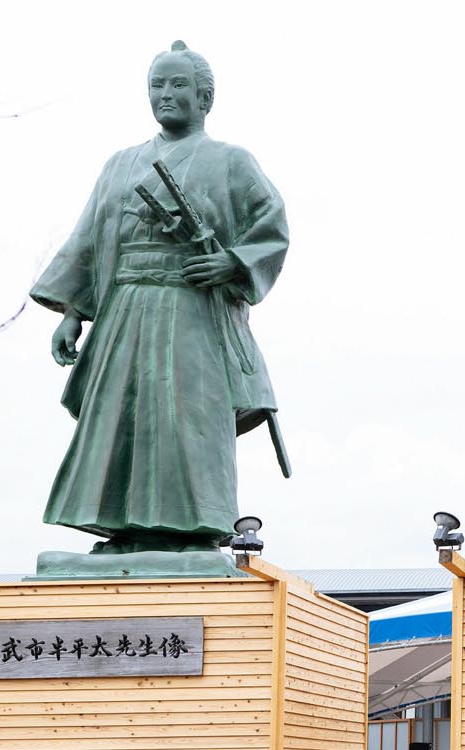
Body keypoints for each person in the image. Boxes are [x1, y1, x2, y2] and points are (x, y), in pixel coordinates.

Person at [32, 41, 288, 556]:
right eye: (157, 85)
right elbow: (88, 238)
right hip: (124, 308)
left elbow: (271, 228)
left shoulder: (232, 162)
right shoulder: (120, 164)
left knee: (187, 418)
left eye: (177, 85)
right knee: (120, 416)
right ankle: (123, 531)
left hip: (191, 307)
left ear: (204, 96)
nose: (165, 94)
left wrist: (233, 262)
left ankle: (192, 531)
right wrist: (72, 311)